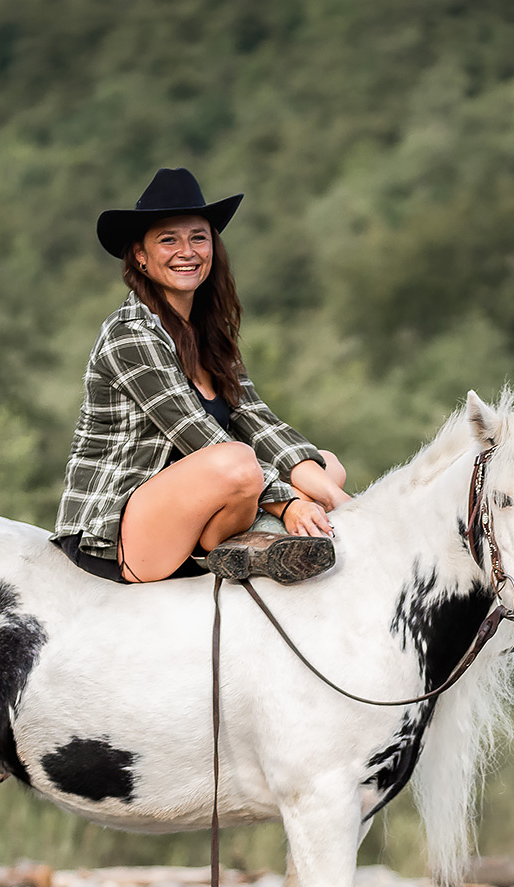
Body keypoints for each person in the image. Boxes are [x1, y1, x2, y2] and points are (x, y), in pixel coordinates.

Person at [53, 168, 348, 585]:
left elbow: (259, 423)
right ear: (140, 254)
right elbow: (201, 438)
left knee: (326, 465)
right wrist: (290, 505)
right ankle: (268, 530)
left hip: (193, 518)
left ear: (213, 246)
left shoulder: (210, 335)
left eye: (198, 237)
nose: (187, 251)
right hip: (117, 533)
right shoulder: (130, 334)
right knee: (238, 463)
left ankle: (253, 542)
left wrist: (337, 499)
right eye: (168, 239)